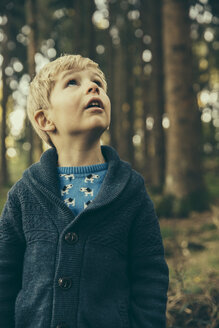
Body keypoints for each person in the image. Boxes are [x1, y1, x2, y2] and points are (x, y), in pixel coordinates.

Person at [0, 54, 169, 328]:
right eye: (73, 83)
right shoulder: (24, 195)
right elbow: (4, 276)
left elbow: (150, 277)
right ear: (45, 120)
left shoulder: (131, 192)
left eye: (98, 83)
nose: (93, 88)